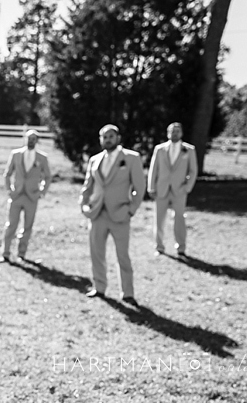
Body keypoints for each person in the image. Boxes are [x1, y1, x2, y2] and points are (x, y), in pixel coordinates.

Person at [81, 124, 146, 305]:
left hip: (120, 214)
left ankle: (127, 292)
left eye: (110, 136)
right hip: (97, 214)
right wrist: (84, 205)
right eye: (104, 136)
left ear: (117, 138)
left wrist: (131, 210)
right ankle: (99, 287)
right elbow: (88, 186)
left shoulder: (132, 158)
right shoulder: (95, 160)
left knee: (122, 255)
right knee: (96, 253)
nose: (107, 139)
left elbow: (139, 188)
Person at [147, 122, 198, 258]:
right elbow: (154, 169)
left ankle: (181, 247)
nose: (174, 133)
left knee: (179, 219)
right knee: (159, 219)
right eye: (172, 131)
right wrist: (151, 187)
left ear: (181, 133)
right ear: (168, 133)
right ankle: (159, 246)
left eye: (177, 131)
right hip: (161, 189)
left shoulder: (189, 150)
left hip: (179, 190)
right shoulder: (160, 149)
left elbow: (193, 171)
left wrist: (187, 188)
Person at [1, 130, 52, 263]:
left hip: (32, 197)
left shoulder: (42, 158)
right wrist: (9, 190)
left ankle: (21, 254)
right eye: (29, 138)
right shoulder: (16, 154)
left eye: (34, 139)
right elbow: (7, 173)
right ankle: (5, 253)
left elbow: (48, 176)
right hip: (16, 195)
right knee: (11, 224)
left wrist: (41, 192)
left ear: (37, 141)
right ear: (25, 139)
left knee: (27, 226)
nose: (31, 141)